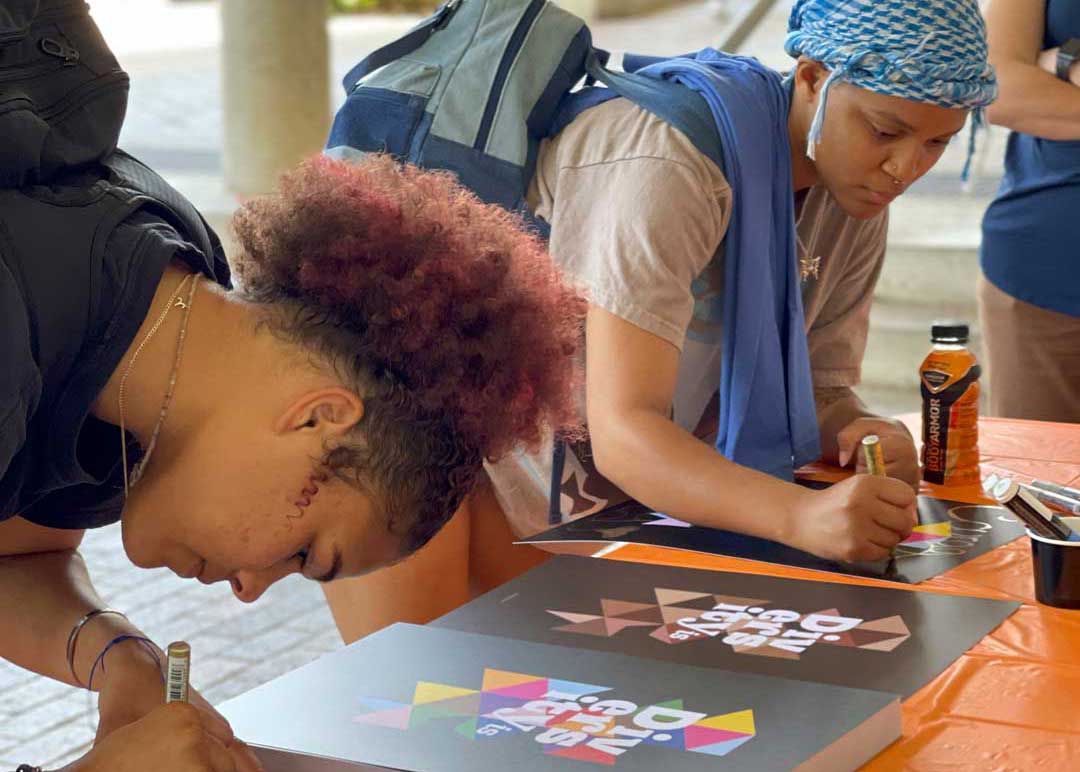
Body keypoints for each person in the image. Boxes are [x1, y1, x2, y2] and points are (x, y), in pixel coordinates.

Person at [324, 0, 998, 643]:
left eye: (938, 144)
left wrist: (857, 425)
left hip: (557, 477)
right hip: (409, 422)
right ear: (814, 79)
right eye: (885, 130)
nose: (905, 168)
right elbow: (626, 433)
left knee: (540, 713)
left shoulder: (852, 196)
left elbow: (817, 389)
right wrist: (801, 516)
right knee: (423, 714)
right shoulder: (670, 162)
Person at [0, 154, 583, 771]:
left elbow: (18, 554)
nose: (248, 589)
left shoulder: (168, 308)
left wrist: (118, 656)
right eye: (305, 553)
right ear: (317, 418)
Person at [979, 0, 1080, 423]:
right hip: (1041, 271)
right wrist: (1072, 62)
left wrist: (1055, 63)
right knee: (1032, 484)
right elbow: (992, 87)